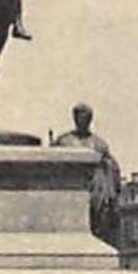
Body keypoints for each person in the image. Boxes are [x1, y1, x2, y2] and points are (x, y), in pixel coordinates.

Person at [52, 103, 122, 246]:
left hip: (93, 189)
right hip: (68, 189)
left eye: (86, 117)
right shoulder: (64, 141)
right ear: (74, 118)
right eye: (80, 116)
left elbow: (112, 168)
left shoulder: (99, 144)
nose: (83, 120)